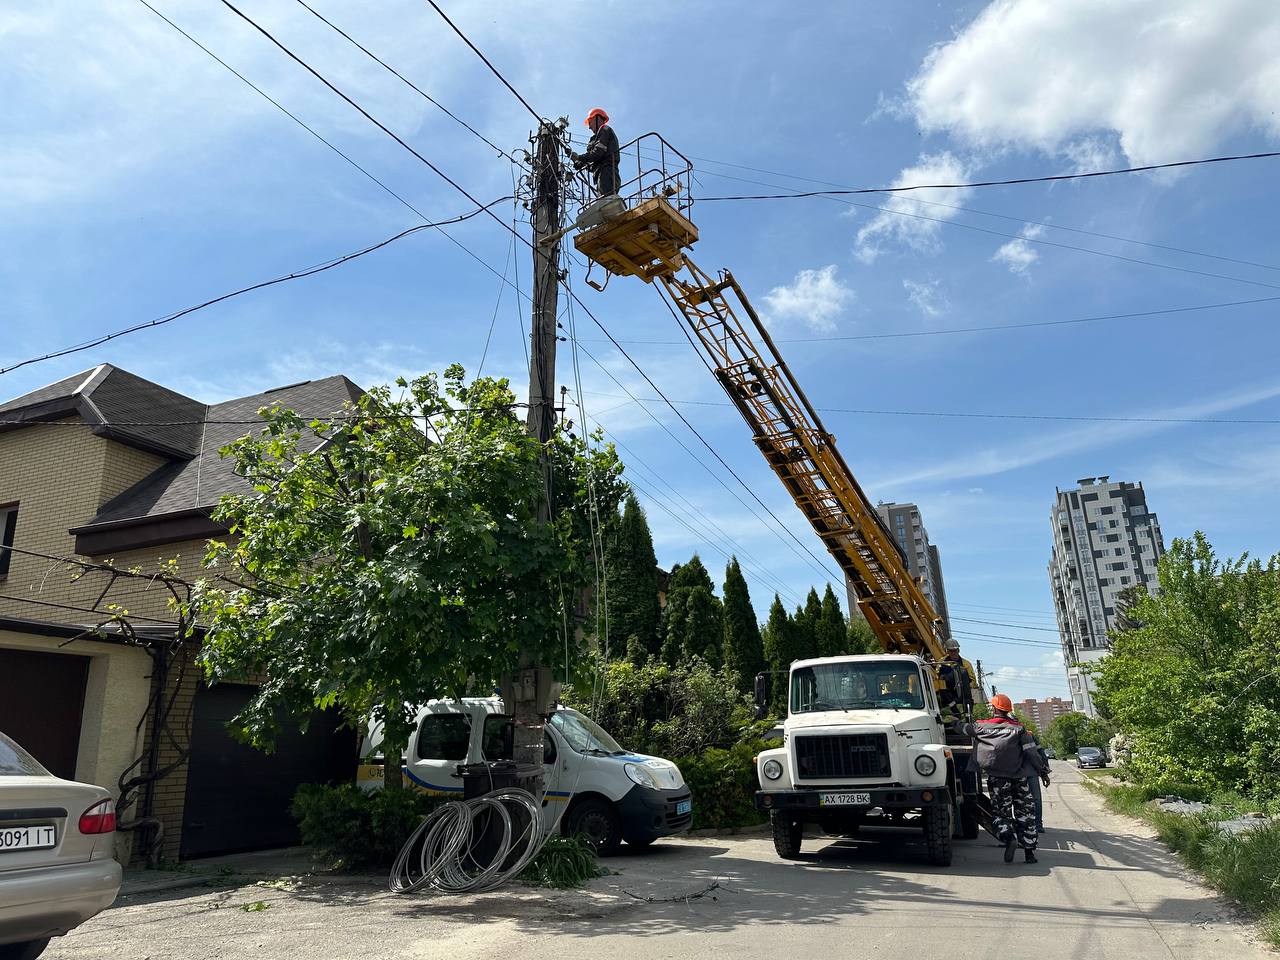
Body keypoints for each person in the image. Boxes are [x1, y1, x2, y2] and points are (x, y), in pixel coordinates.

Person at [952, 693, 1050, 864]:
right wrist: (1043, 772)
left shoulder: (982, 727)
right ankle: (1029, 854)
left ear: (995, 708)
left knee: (1000, 814)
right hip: (1019, 779)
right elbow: (1032, 754)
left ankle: (1008, 838)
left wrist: (953, 720)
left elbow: (963, 729)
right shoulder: (1019, 729)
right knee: (1026, 814)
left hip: (998, 780)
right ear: (1008, 710)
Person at [571, 107, 621, 198]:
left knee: (607, 203)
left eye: (590, 122)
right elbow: (594, 158)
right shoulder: (596, 137)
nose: (589, 127)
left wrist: (579, 157)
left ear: (597, 118)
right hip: (602, 175)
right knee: (604, 202)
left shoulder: (605, 129)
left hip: (607, 173)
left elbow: (597, 153)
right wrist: (580, 163)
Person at [1028, 734, 1050, 833]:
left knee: (1014, 800)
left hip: (1014, 774)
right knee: (1036, 799)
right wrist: (1044, 773)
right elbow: (1041, 755)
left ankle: (1015, 826)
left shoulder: (1003, 732)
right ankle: (1038, 825)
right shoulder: (1029, 734)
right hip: (1031, 772)